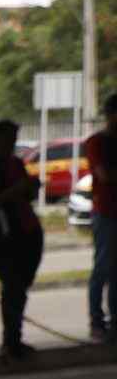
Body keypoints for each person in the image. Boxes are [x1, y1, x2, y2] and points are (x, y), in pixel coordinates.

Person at [0, 120, 43, 362]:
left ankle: (14, 340)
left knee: (19, 290)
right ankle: (10, 343)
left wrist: (31, 188)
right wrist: (13, 192)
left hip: (26, 234)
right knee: (13, 287)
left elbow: (24, 194)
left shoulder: (15, 163)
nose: (12, 145)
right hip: (0, 239)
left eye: (14, 140)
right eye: (8, 140)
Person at [88, 93, 116, 343]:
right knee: (103, 267)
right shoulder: (97, 142)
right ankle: (96, 321)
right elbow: (104, 175)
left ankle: (113, 321)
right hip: (105, 212)